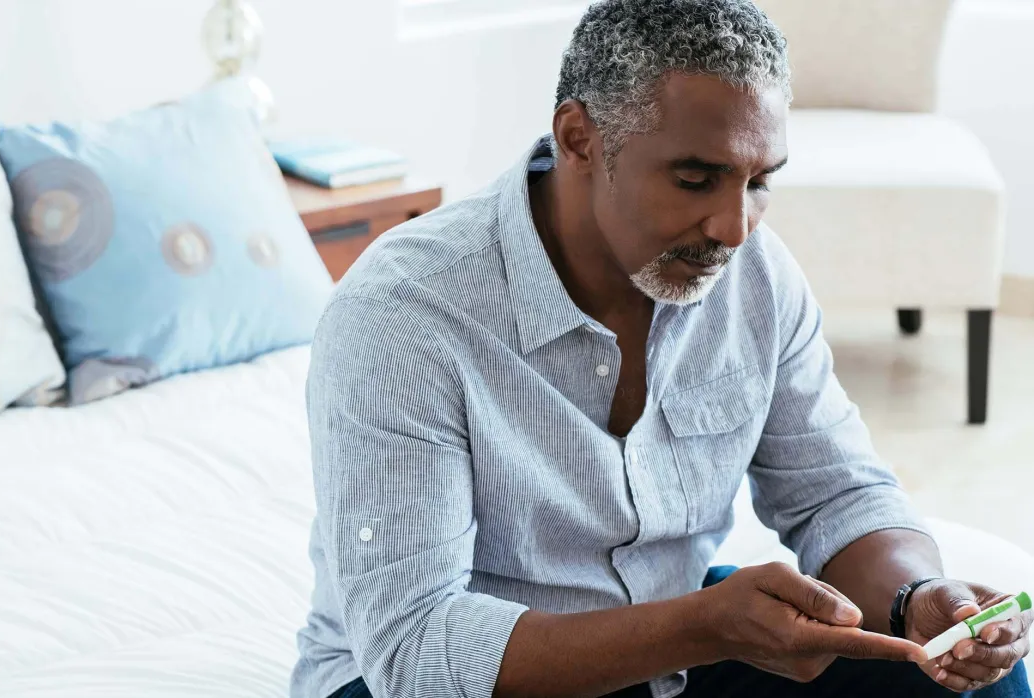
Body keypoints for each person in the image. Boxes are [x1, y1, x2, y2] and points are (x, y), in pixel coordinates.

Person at [291, 1, 1033, 696]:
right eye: (695, 178)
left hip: (675, 644)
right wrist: (700, 628)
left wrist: (913, 599)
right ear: (580, 138)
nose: (735, 227)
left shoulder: (755, 274)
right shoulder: (403, 315)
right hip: (446, 679)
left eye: (760, 181)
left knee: (972, 683)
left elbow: (838, 492)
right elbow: (415, 650)